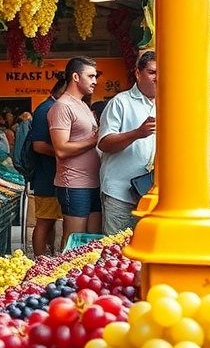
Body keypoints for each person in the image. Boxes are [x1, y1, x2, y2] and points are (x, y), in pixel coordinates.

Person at [97, 50, 157, 235]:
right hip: (120, 194)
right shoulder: (120, 102)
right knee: (115, 254)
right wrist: (137, 133)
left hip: (152, 196)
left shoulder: (168, 104)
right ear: (138, 73)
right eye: (152, 72)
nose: (158, 77)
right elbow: (104, 143)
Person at [49, 57, 102, 249]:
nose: (95, 80)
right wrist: (94, 140)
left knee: (92, 241)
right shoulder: (62, 106)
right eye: (90, 76)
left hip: (94, 182)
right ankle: (64, 277)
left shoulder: (83, 105)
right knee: (73, 240)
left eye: (95, 76)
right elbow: (61, 149)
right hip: (74, 183)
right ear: (75, 77)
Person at [30, 77, 68, 256]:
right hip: (46, 177)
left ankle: (49, 256)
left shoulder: (52, 108)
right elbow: (38, 145)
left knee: (51, 221)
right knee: (44, 221)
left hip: (53, 176)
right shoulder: (45, 109)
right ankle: (39, 261)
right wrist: (64, 151)